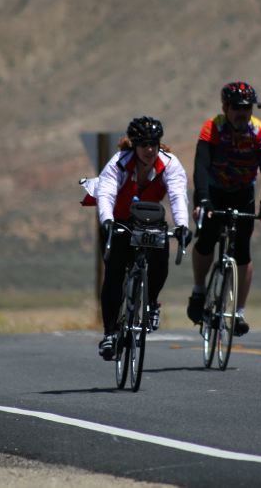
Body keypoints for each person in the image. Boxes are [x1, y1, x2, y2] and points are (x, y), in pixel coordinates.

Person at [93, 116, 190, 360]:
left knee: (160, 259)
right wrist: (106, 221)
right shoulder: (119, 162)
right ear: (134, 145)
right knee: (114, 274)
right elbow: (105, 193)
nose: (149, 149)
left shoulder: (170, 164)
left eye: (153, 143)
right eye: (144, 144)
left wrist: (182, 225)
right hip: (120, 222)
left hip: (150, 221)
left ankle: (152, 302)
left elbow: (178, 196)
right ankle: (109, 335)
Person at [186, 81, 261, 337]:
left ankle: (238, 313)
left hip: (243, 194)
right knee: (206, 240)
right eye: (236, 108)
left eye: (246, 108)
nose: (242, 112)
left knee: (243, 252)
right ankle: (199, 290)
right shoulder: (212, 127)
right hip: (212, 192)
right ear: (224, 107)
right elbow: (201, 167)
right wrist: (202, 201)